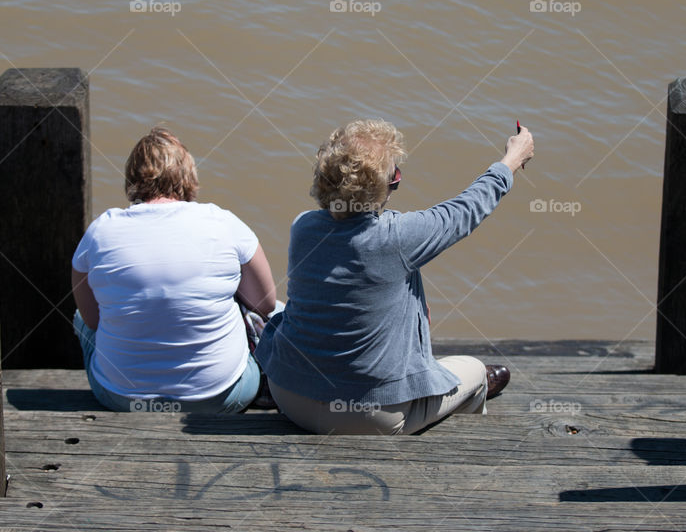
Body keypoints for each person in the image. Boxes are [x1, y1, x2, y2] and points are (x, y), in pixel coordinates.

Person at [255, 118, 534, 434]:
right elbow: (466, 210)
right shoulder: (399, 237)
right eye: (395, 177)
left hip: (290, 395)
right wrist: (511, 160)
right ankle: (457, 448)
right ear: (383, 189)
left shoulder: (303, 227)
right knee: (476, 374)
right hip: (370, 416)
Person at [71, 127, 277, 413]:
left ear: (133, 178)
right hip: (221, 397)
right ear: (188, 175)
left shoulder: (100, 231)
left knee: (79, 318)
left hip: (121, 398)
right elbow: (264, 303)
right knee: (277, 311)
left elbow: (92, 320)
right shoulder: (224, 223)